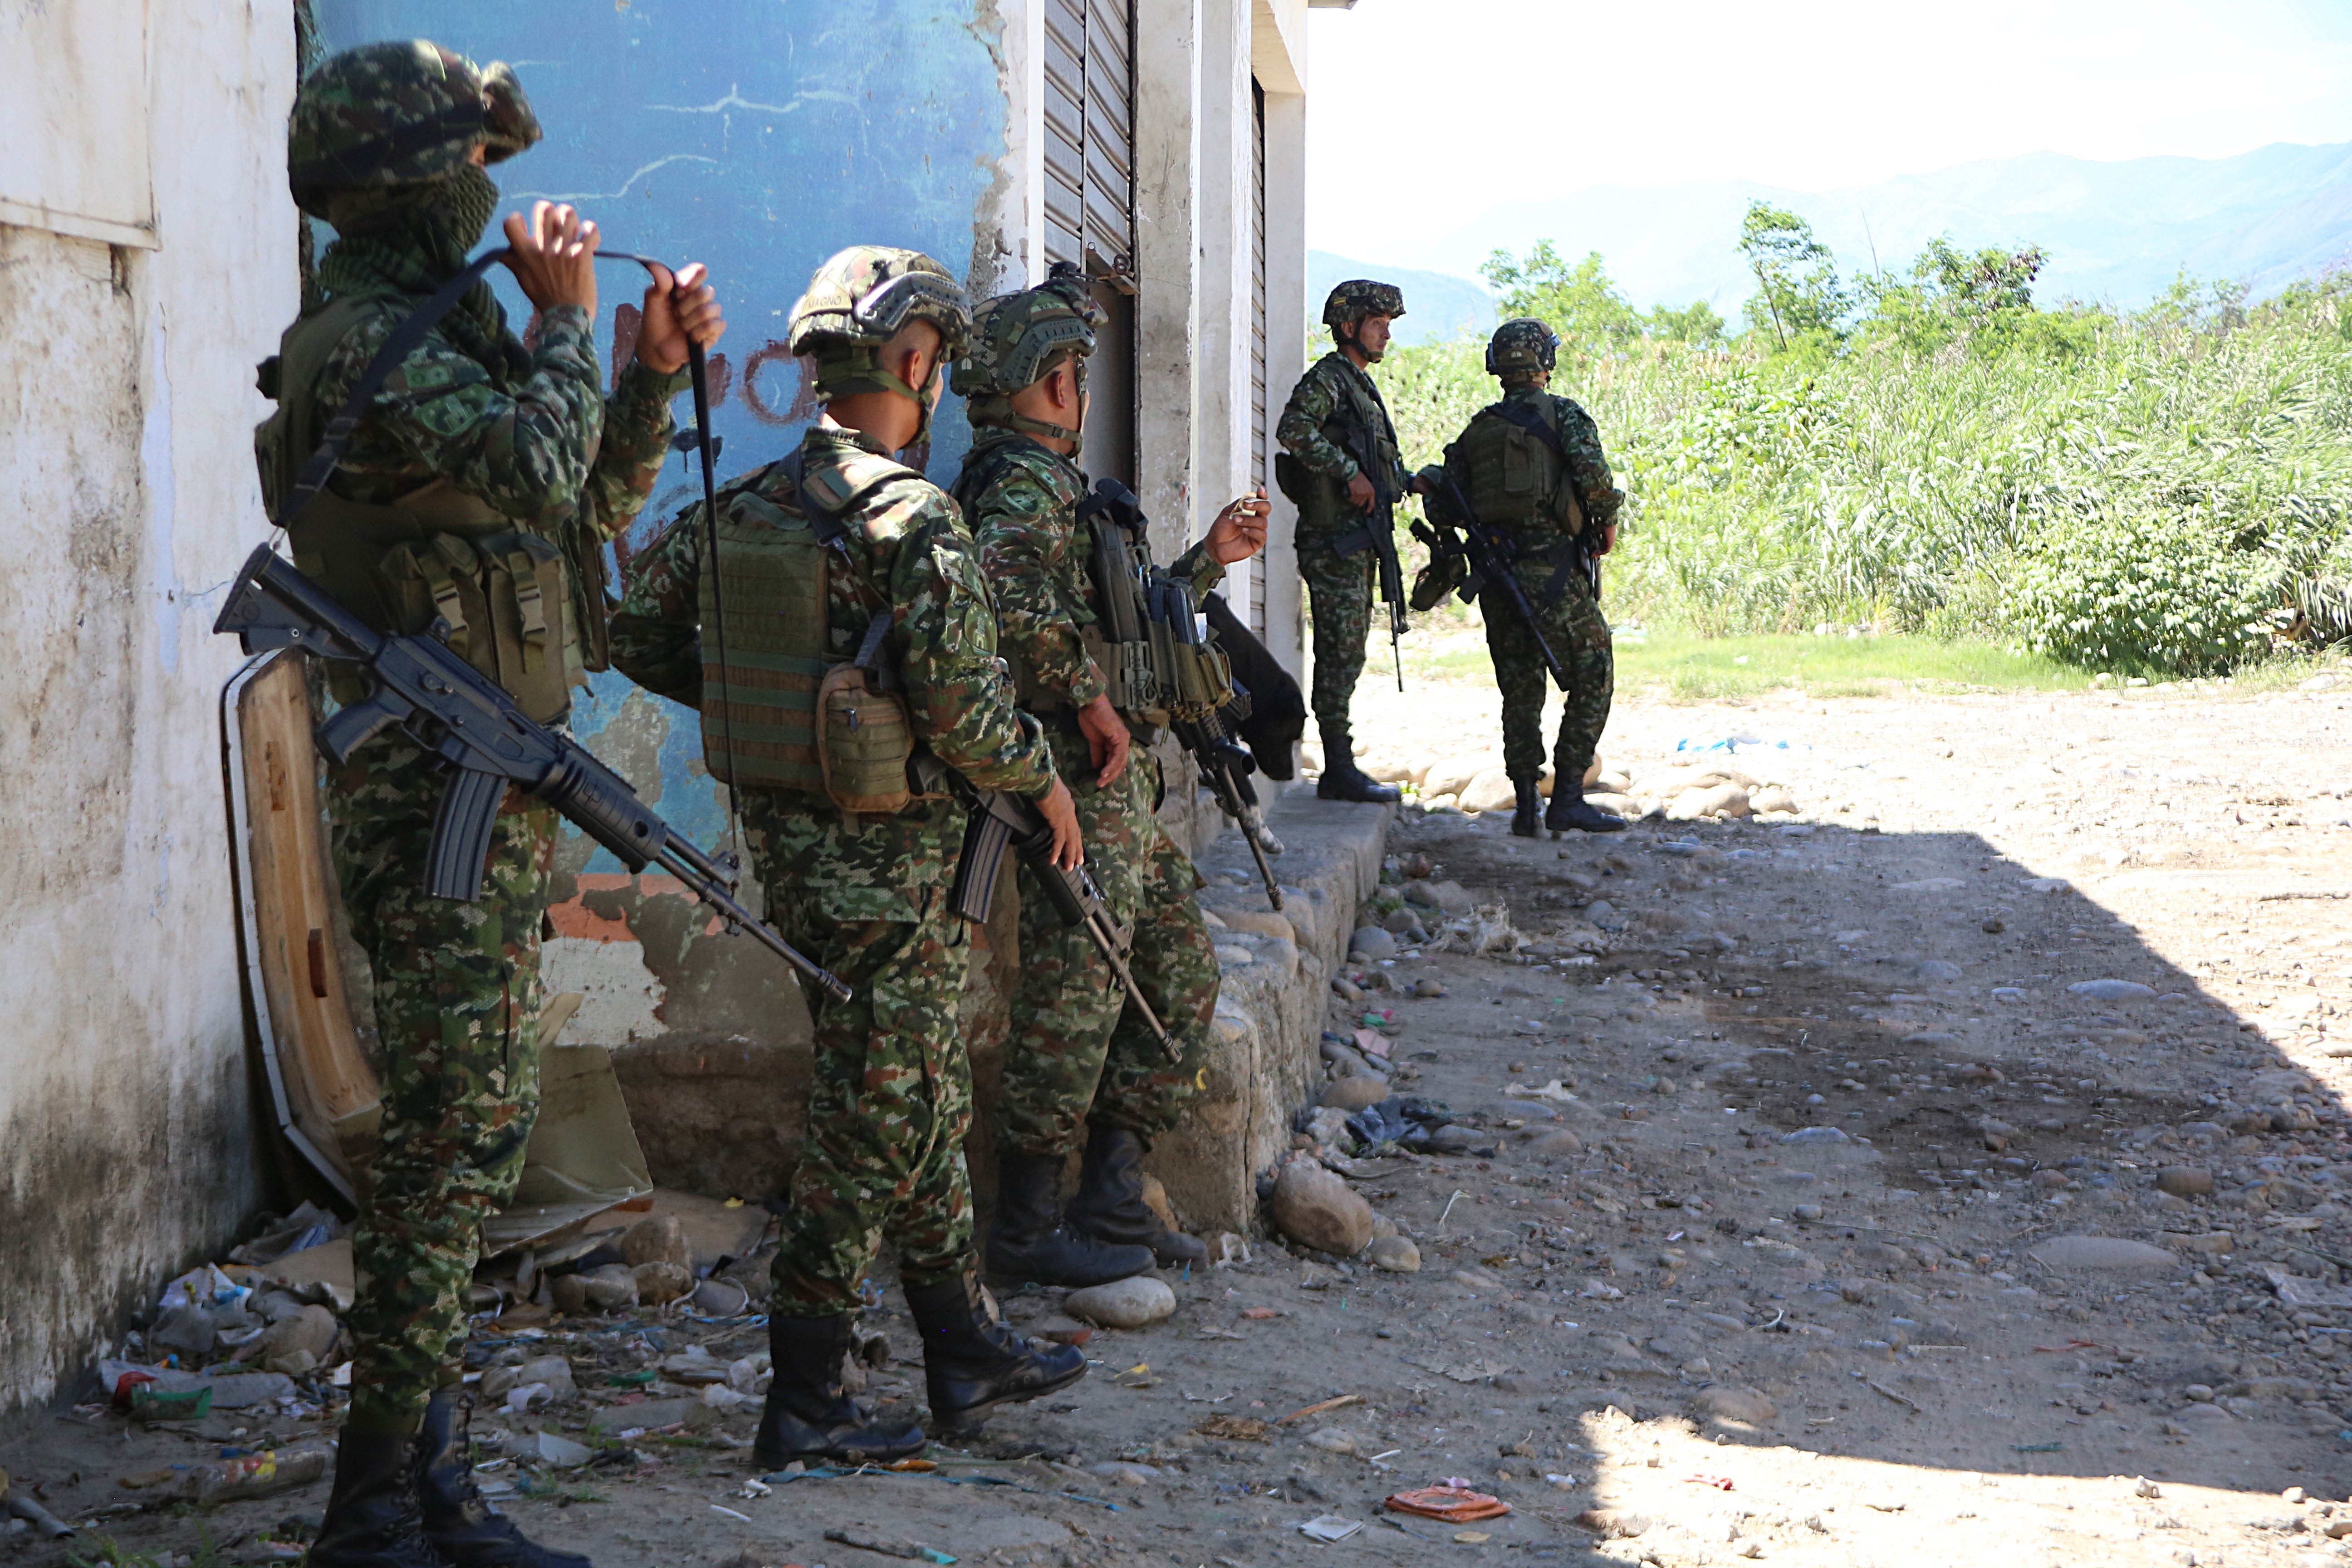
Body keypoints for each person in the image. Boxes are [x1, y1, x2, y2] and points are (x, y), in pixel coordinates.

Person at [259, 39, 724, 1568]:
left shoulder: (438, 331)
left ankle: (429, 1479)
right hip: (425, 786)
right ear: (403, 183)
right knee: (454, 1130)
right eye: (469, 169)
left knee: (481, 1126)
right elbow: (534, 456)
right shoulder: (365, 344)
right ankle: (371, 1503)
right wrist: (566, 323)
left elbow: (576, 510)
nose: (490, 197)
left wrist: (643, 377)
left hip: (490, 776)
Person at [607, 247, 1089, 1466]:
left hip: (800, 864)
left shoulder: (738, 509)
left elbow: (642, 639)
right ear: (917, 362)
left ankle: (964, 1345)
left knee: (913, 1094)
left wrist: (789, 697)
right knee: (870, 1116)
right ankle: (806, 1393)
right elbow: (971, 715)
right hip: (900, 878)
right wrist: (1040, 783)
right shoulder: (914, 517)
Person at [947, 265, 1270, 1287]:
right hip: (1066, 779)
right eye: (1075, 371)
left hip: (1113, 786)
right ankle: (1030, 1225)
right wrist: (1077, 691)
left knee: (1176, 975)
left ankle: (1112, 1192)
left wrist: (1206, 562)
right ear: (1049, 381)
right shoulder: (1014, 482)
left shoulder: (1060, 488)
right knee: (1075, 995)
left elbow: (1116, 629)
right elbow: (1000, 599)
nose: (1082, 391)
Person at [1436, 318, 1626, 837]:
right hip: (1555, 576)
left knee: (1520, 692)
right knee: (1593, 672)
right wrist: (1606, 524)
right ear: (1545, 362)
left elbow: (1446, 503)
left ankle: (1525, 805)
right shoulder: (1563, 415)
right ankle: (1566, 798)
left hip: (1499, 581)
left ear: (1498, 365)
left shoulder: (1477, 430)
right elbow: (1595, 480)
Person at [1274, 279, 1421, 804]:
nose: (1385, 336)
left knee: (1350, 652)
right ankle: (1338, 768)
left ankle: (1341, 762)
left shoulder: (1358, 386)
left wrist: (1406, 481)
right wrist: (1348, 473)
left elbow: (1375, 466)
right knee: (1339, 654)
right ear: (1349, 326)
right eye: (1378, 325)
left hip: (1356, 541)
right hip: (1334, 544)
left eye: (1387, 327)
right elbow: (1293, 430)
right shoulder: (1332, 378)